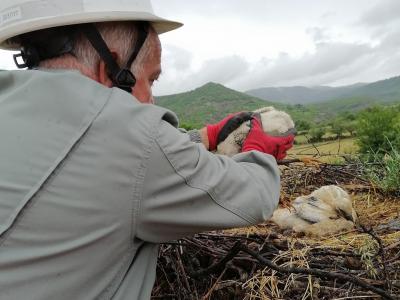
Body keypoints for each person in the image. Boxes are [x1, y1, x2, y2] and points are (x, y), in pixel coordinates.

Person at [0, 1, 294, 299]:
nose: (152, 101)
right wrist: (261, 149)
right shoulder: (132, 137)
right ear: (110, 68)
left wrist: (207, 136)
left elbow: (107, 153)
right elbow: (256, 196)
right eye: (151, 80)